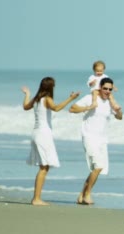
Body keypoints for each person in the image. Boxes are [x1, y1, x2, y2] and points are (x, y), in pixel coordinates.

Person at [22, 77, 80, 205]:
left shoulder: (37, 99)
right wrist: (71, 98)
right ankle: (36, 199)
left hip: (36, 134)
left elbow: (25, 106)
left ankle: (37, 198)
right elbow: (56, 108)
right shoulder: (47, 99)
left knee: (44, 167)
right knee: (43, 168)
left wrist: (27, 95)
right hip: (43, 135)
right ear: (50, 87)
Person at [69, 77, 123, 205]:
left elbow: (120, 117)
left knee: (97, 168)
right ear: (100, 88)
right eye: (105, 88)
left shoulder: (110, 102)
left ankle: (81, 195)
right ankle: (87, 195)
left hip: (102, 139)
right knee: (98, 166)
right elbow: (72, 108)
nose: (108, 91)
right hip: (89, 136)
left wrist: (118, 110)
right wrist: (88, 107)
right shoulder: (90, 98)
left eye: (110, 89)